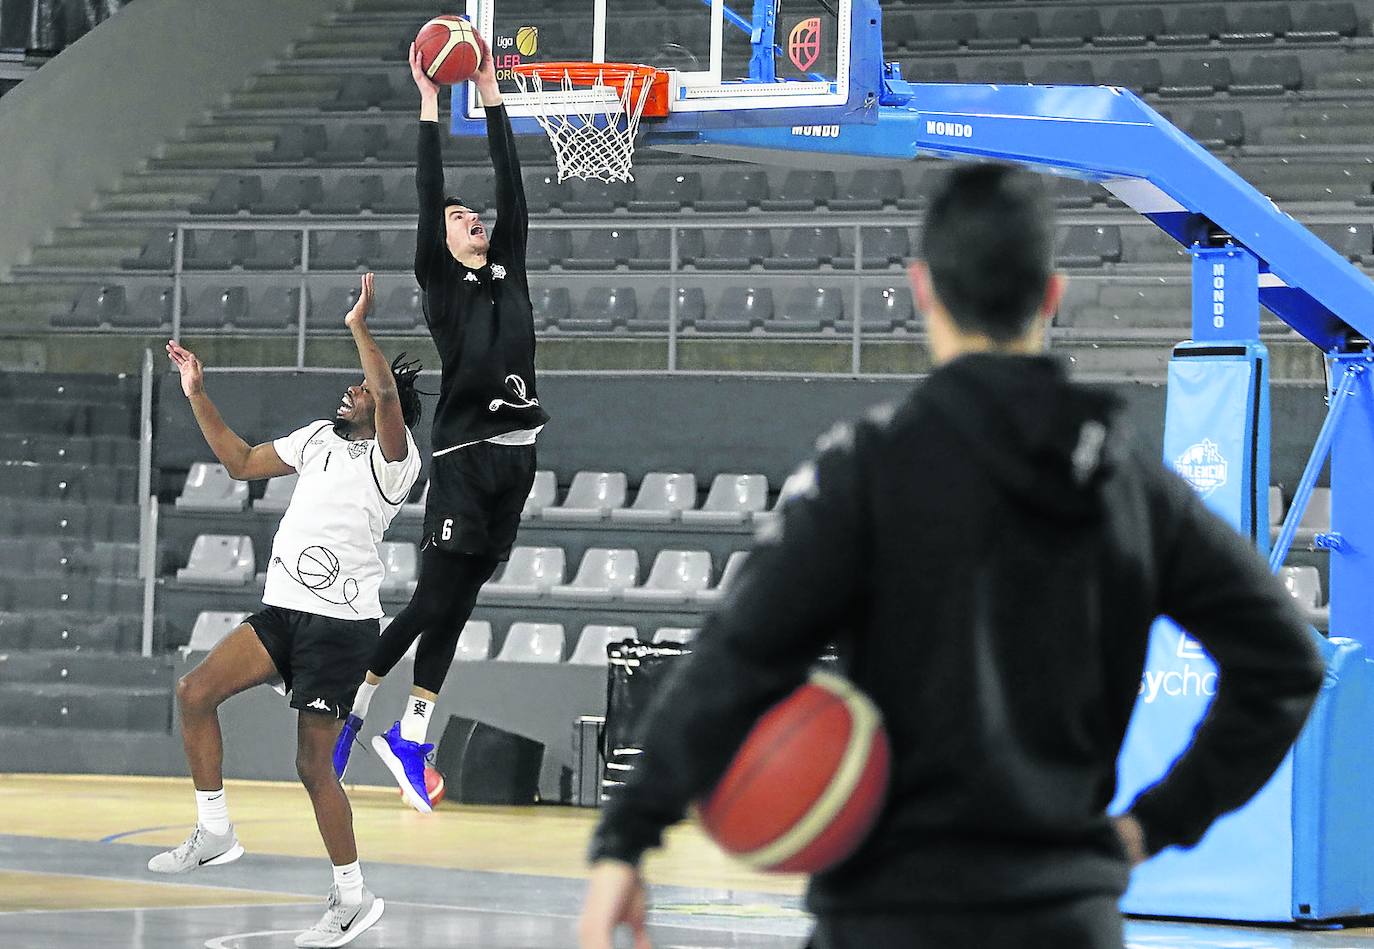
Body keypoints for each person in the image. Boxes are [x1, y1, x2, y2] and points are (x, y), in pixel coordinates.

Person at [577, 165, 1326, 949]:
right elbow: (1285, 662)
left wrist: (625, 838)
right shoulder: (1126, 483)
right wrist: (1153, 824)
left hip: (888, 919)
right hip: (1064, 920)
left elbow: (736, 659)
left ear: (923, 289)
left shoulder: (868, 470)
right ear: (1051, 297)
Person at [151, 273, 420, 949]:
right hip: (282, 612)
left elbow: (386, 390)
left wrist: (359, 326)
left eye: (356, 388)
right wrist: (197, 393)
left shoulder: (394, 460)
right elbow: (240, 462)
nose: (350, 390)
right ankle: (214, 830)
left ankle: (352, 898)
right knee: (194, 692)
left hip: (340, 629)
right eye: (352, 384)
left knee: (311, 765)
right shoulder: (316, 441)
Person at [331, 33, 549, 812]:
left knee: (457, 605)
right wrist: (430, 103)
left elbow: (510, 180)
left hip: (518, 460)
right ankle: (350, 710)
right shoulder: (441, 283)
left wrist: (493, 89)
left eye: (474, 216)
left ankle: (411, 733)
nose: (474, 219)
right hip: (464, 457)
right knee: (430, 602)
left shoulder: (509, 267)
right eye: (460, 219)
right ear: (443, 241)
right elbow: (431, 193)